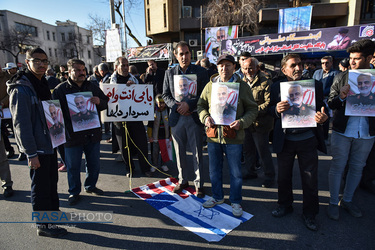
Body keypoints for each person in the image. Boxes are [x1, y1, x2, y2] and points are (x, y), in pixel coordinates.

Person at [7, 47, 67, 237]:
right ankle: (44, 225)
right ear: (27, 62)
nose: (42, 64)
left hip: (50, 144)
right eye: (37, 60)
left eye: (45, 61)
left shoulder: (41, 84)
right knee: (40, 187)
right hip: (37, 148)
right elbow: (20, 124)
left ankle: (53, 217)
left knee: (51, 184)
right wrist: (30, 153)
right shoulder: (22, 89)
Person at [268, 53, 328, 231]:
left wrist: (323, 118)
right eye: (293, 65)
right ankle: (285, 205)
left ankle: (310, 214)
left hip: (308, 139)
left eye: (300, 64)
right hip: (285, 140)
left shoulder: (314, 86)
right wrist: (276, 110)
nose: (298, 68)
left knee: (310, 180)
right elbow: (270, 110)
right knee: (283, 178)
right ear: (284, 69)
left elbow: (322, 110)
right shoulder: (276, 87)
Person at [197, 54, 258, 217]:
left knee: (236, 172)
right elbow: (201, 105)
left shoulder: (242, 86)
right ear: (217, 68)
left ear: (234, 67)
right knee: (214, 170)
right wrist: (205, 117)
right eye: (221, 65)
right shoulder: (210, 86)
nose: (224, 68)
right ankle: (217, 197)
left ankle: (236, 201)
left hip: (234, 136)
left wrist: (242, 122)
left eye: (228, 65)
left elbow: (253, 109)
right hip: (213, 136)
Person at [327, 39, 375, 220]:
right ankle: (332, 202)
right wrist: (341, 96)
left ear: (369, 58)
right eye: (350, 58)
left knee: (357, 167)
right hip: (342, 130)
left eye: (356, 58)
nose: (351, 62)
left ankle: (347, 200)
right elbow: (331, 102)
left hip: (367, 133)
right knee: (337, 166)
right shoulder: (341, 77)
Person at [53, 59, 109, 206]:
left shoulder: (93, 86)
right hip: (72, 136)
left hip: (92, 134)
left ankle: (90, 186)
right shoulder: (60, 90)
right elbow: (55, 115)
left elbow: (105, 102)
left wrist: (99, 102)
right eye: (77, 70)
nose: (82, 73)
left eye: (83, 70)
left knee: (94, 164)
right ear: (69, 72)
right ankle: (74, 192)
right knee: (72, 166)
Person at [162, 41, 209, 198]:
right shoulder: (169, 73)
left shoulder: (201, 72)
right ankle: (182, 180)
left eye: (187, 53)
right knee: (179, 151)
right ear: (175, 55)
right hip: (177, 118)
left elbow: (204, 94)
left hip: (194, 116)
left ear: (191, 54)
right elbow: (165, 95)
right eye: (181, 54)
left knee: (197, 152)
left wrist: (188, 104)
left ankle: (199, 183)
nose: (184, 56)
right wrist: (177, 106)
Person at [105, 56, 152, 177]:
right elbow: (106, 99)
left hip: (135, 118)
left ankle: (145, 168)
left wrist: (135, 88)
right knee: (124, 146)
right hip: (119, 120)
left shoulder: (135, 80)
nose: (126, 68)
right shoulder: (110, 82)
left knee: (141, 143)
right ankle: (129, 168)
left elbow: (143, 94)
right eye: (123, 65)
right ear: (116, 67)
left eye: (127, 65)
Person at [241, 57, 275, 188]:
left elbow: (268, 103)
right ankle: (251, 172)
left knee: (263, 152)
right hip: (247, 123)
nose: (248, 70)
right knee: (248, 150)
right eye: (245, 68)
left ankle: (269, 176)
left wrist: (251, 112)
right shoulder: (242, 81)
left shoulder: (266, 82)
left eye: (250, 67)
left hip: (260, 124)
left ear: (257, 67)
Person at [147, 94, 170, 173]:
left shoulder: (168, 111)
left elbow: (171, 125)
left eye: (163, 103)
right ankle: (154, 164)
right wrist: (149, 136)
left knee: (164, 151)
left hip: (165, 135)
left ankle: (163, 164)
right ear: (156, 103)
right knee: (155, 152)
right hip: (155, 135)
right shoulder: (153, 111)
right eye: (160, 103)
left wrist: (171, 135)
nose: (162, 105)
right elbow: (149, 125)